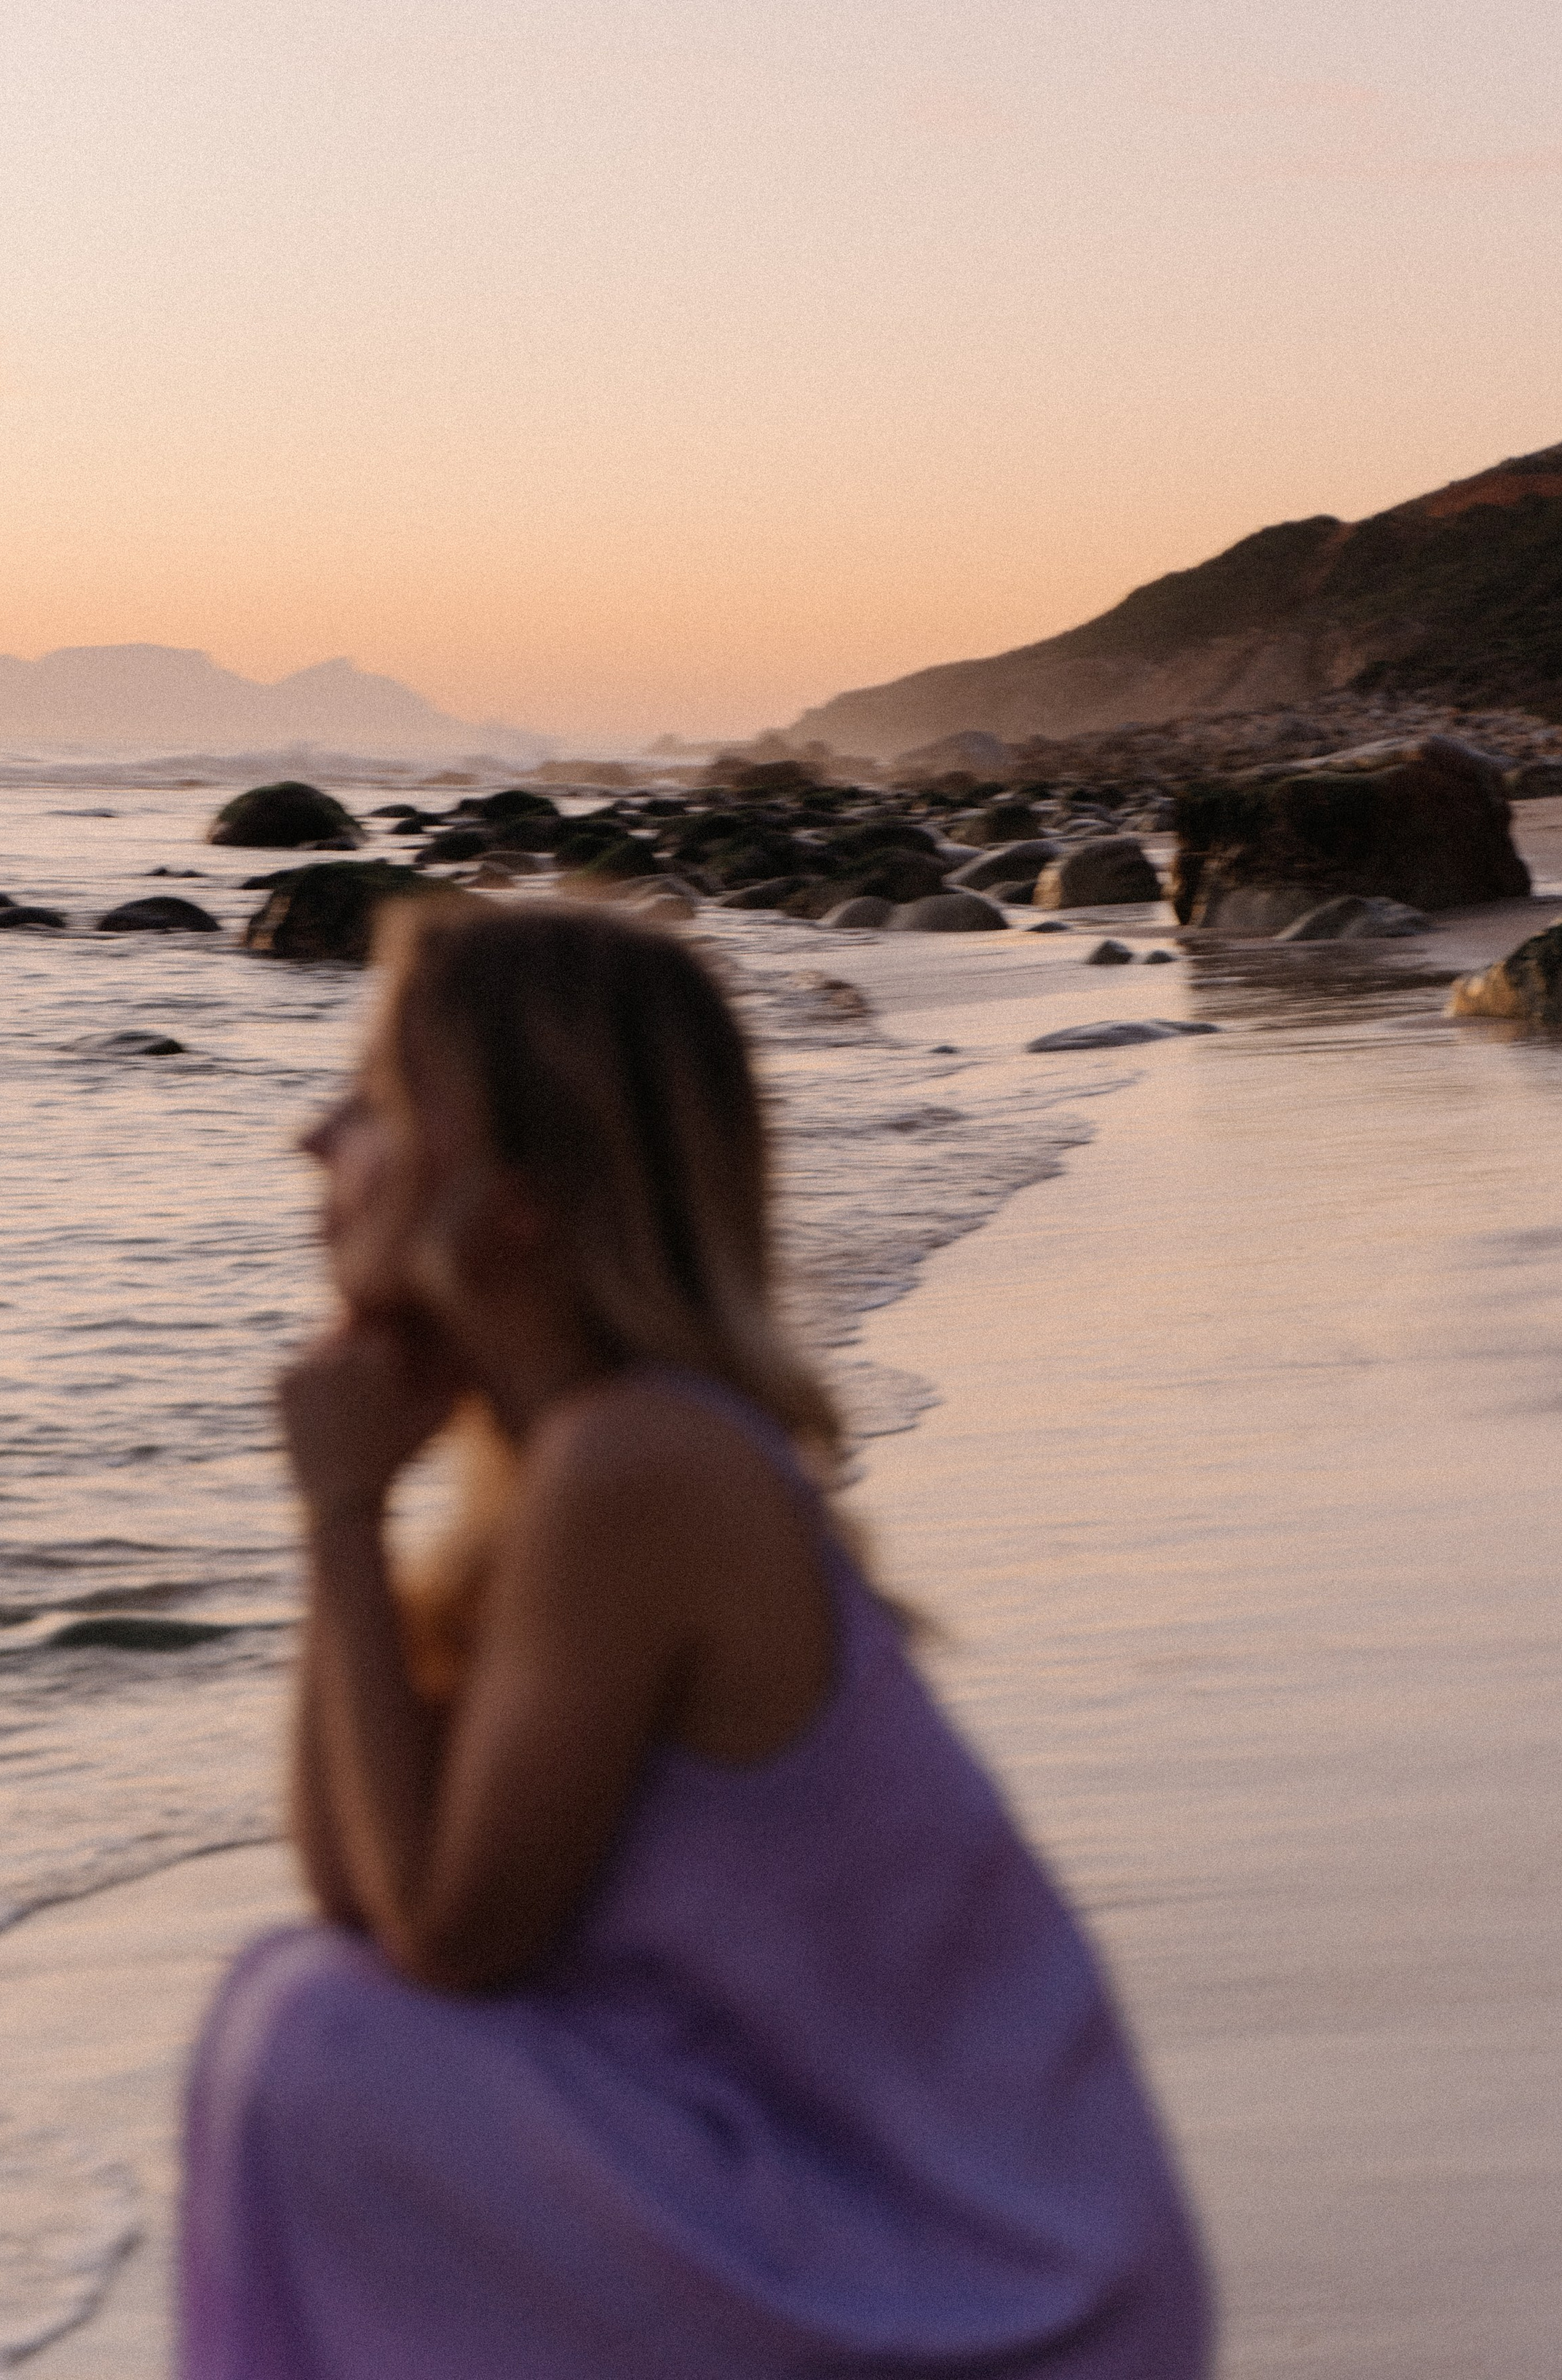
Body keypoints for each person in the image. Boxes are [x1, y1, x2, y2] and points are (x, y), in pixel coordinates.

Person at [179, 898, 1212, 2379]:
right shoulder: (564, 1474)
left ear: (520, 1193)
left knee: (320, 2042)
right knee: (304, 2000)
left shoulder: (642, 1469)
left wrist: (343, 1514)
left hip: (975, 2279)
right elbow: (358, 1893)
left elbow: (447, 1939)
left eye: (374, 1101)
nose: (310, 1138)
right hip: (835, 2205)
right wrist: (351, 1509)